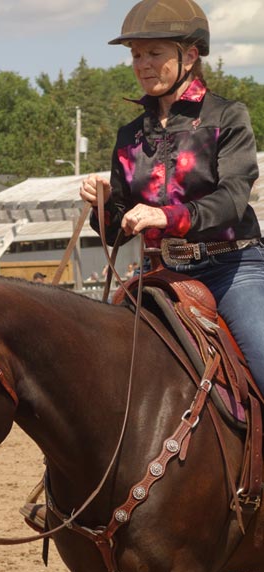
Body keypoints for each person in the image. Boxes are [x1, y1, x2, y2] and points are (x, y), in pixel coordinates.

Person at [80, 0, 264, 395]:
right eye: (136, 54)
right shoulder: (130, 135)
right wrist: (106, 204)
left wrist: (167, 216)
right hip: (160, 273)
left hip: (231, 266)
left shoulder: (228, 117)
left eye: (154, 52)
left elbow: (232, 199)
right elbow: (117, 234)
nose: (142, 64)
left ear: (190, 55)